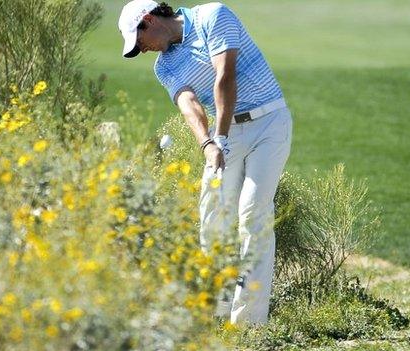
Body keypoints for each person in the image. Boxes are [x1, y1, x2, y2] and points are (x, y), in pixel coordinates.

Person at [119, 0, 292, 326]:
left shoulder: (213, 15)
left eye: (139, 41)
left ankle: (248, 324)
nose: (141, 50)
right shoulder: (164, 65)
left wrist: (220, 138)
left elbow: (225, 76)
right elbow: (189, 104)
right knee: (211, 216)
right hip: (225, 132)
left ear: (149, 19)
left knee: (253, 214)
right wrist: (208, 143)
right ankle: (215, 311)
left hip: (269, 122)